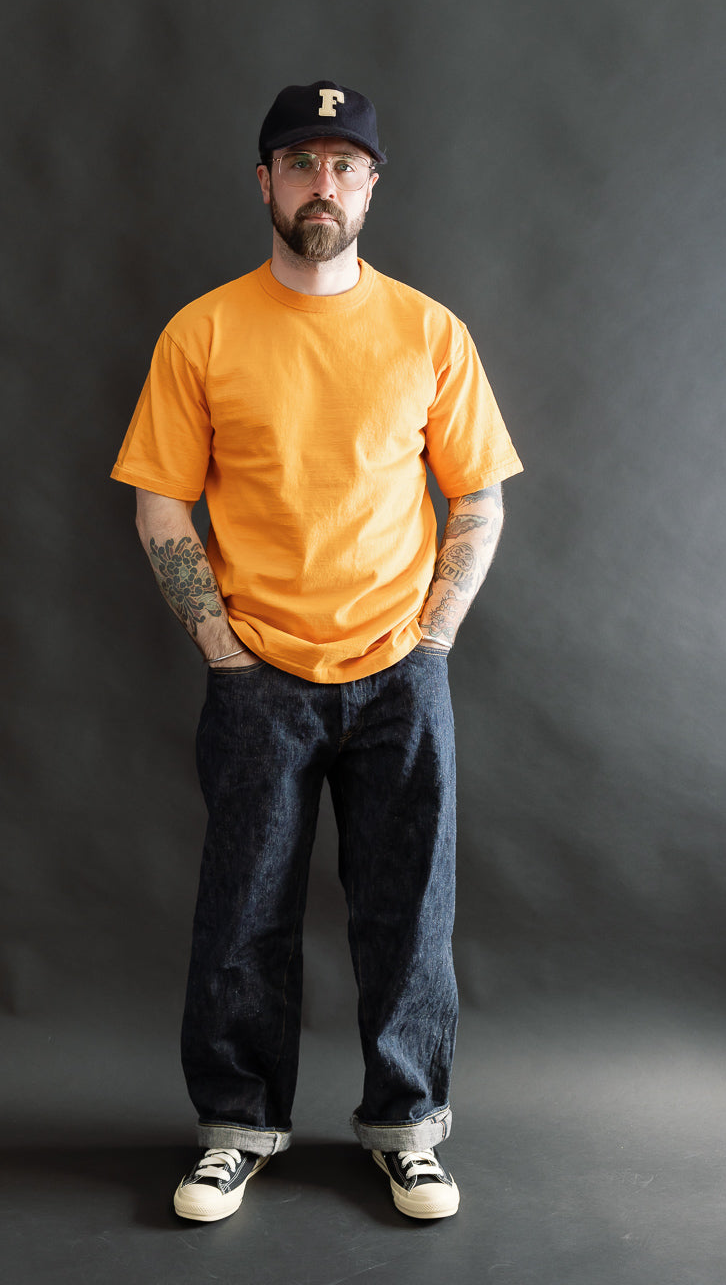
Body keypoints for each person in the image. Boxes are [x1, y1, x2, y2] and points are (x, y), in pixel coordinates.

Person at [111, 80, 523, 1222]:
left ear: (373, 185)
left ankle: (407, 1129)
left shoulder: (429, 330)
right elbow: (159, 507)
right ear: (265, 180)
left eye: (345, 165)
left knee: (410, 909)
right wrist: (221, 648)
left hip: (400, 671)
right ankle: (235, 1127)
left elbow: (476, 499)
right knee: (242, 912)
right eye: (300, 163)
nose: (322, 184)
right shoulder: (203, 330)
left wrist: (431, 639)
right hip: (259, 675)